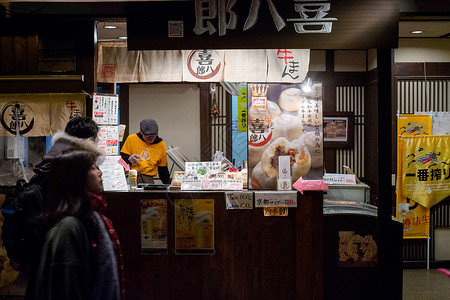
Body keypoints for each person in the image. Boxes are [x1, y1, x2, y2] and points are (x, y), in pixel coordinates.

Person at [25, 117, 102, 300]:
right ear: (89, 141)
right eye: (93, 168)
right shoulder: (66, 165)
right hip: (50, 242)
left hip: (43, 243)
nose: (97, 172)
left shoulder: (54, 157)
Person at [34, 148, 124, 300]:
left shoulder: (92, 216)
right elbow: (67, 288)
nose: (100, 172)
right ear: (76, 176)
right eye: (93, 168)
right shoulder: (69, 227)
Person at [120, 118, 170, 184]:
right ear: (141, 132)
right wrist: (128, 159)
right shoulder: (132, 139)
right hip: (131, 177)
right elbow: (120, 160)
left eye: (153, 136)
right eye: (148, 136)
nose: (150, 138)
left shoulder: (161, 144)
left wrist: (168, 185)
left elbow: (163, 169)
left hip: (148, 179)